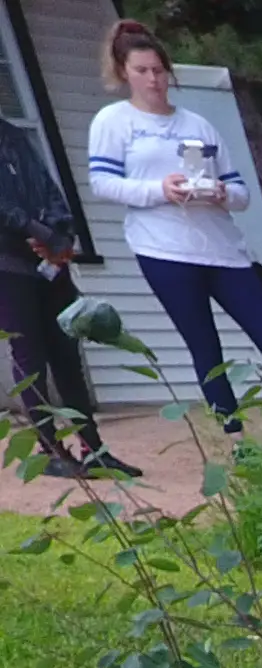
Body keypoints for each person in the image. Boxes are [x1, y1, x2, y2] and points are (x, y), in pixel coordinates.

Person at [85, 18, 262, 429]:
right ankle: (234, 435)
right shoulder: (114, 121)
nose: (153, 79)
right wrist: (159, 189)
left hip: (222, 249)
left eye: (159, 70)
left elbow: (241, 192)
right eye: (142, 71)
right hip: (163, 249)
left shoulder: (197, 124)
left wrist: (220, 192)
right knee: (205, 346)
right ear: (123, 73)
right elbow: (103, 182)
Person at [0, 125, 124, 476]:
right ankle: (52, 451)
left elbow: (49, 189)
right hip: (8, 265)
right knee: (29, 358)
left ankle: (93, 449)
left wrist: (61, 234)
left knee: (67, 352)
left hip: (50, 263)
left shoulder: (14, 137)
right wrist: (40, 233)